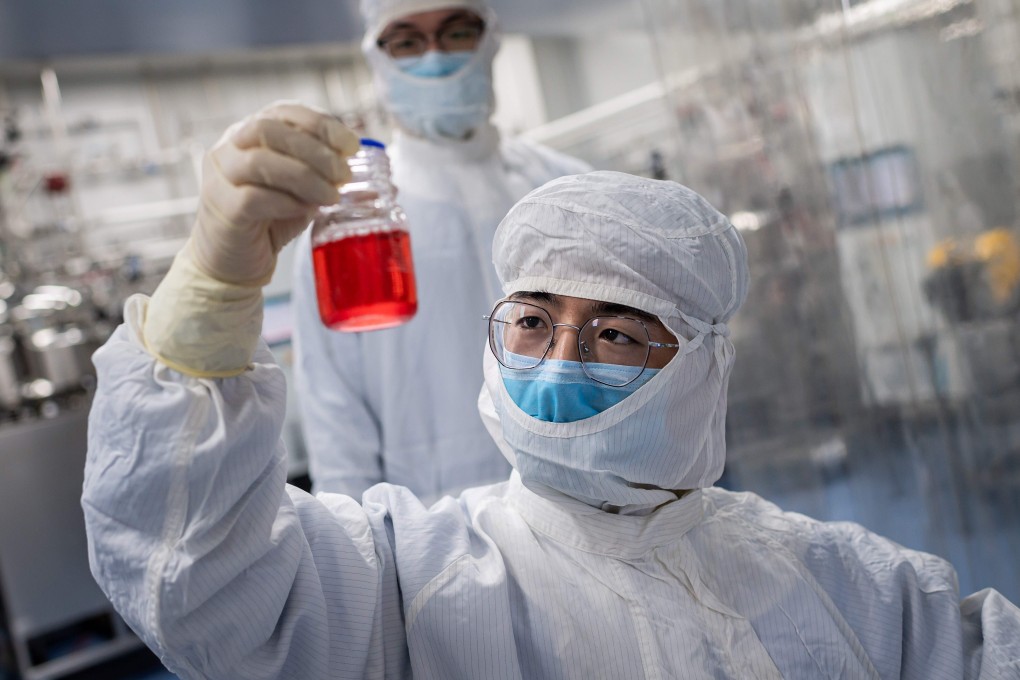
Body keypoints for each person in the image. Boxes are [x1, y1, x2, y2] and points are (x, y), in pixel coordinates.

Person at [82, 103, 1020, 679]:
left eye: (614, 329)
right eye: (532, 320)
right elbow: (200, 581)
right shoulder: (408, 578)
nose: (560, 359)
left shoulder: (855, 585)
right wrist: (209, 291)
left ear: (700, 365)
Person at [290, 0, 590, 502]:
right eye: (407, 40)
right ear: (380, 56)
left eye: (455, 33)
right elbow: (334, 414)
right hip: (432, 532)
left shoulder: (570, 189)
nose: (434, 58)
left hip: (582, 504)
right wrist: (362, 555)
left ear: (489, 38)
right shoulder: (349, 225)